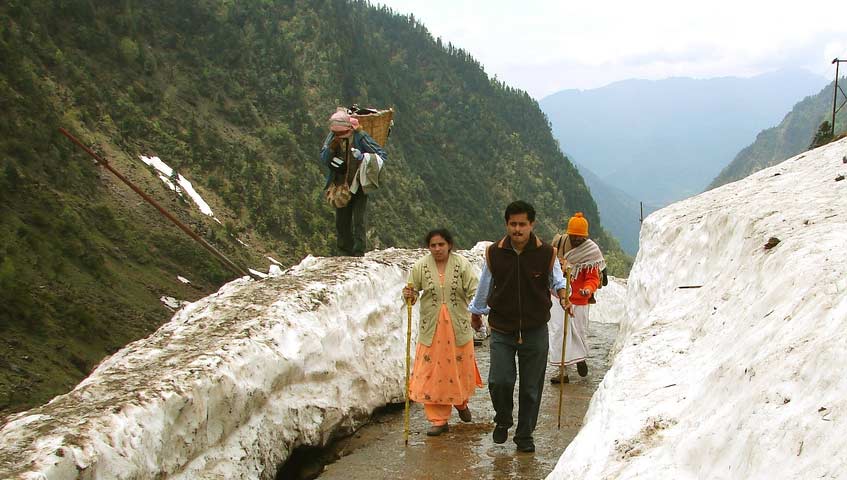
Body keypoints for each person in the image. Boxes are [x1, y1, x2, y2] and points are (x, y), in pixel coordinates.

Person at [469, 201, 569, 453]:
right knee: (499, 381)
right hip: (502, 327)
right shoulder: (494, 253)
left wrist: (563, 295)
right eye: (512, 224)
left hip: (535, 329)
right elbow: (485, 285)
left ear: (531, 224)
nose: (517, 229)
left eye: (522, 224)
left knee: (531, 387)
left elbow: (556, 280)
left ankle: (525, 435)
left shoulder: (547, 253)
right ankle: (503, 419)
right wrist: (477, 312)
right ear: (506, 224)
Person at [403, 229, 483, 436]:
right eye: (433, 245)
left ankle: (460, 402)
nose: (437, 249)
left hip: (457, 327)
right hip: (432, 328)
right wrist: (409, 295)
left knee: (456, 368)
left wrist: (476, 311)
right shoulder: (420, 266)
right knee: (432, 373)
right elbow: (411, 294)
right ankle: (439, 420)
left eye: (441, 244)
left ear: (449, 245)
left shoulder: (461, 265)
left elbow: (475, 290)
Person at [320, 110, 387, 256]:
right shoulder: (333, 138)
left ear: (349, 129)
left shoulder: (360, 137)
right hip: (341, 184)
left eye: (341, 132)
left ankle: (358, 251)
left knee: (358, 219)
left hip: (359, 184)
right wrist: (332, 148)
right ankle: (344, 250)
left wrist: (363, 156)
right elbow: (324, 157)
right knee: (341, 220)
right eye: (335, 133)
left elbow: (381, 155)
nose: (338, 136)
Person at [548, 212, 605, 384]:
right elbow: (550, 266)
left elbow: (593, 277)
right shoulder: (559, 244)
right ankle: (562, 371)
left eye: (581, 238)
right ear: (569, 234)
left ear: (586, 237)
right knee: (558, 332)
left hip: (579, 300)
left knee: (578, 332)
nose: (577, 240)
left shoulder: (591, 252)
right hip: (558, 296)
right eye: (574, 236)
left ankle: (580, 358)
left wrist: (588, 289)